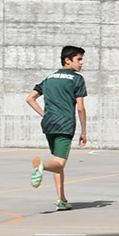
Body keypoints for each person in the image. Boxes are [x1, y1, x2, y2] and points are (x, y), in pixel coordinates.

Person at [26, 45, 88, 211]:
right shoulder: (77, 79)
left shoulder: (49, 78)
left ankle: (62, 199)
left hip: (49, 124)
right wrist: (83, 131)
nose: (81, 63)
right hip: (65, 124)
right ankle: (41, 166)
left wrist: (44, 115)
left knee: (56, 160)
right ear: (67, 60)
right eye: (79, 59)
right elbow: (81, 108)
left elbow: (30, 98)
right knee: (58, 164)